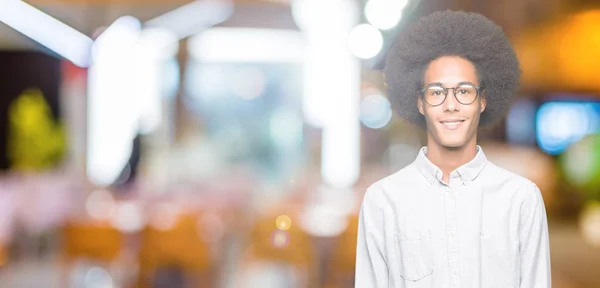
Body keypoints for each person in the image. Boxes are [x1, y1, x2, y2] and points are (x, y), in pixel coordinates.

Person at [355, 10, 551, 288]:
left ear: (482, 100)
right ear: (420, 103)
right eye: (437, 92)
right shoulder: (383, 201)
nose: (451, 104)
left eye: (464, 91)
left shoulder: (521, 199)